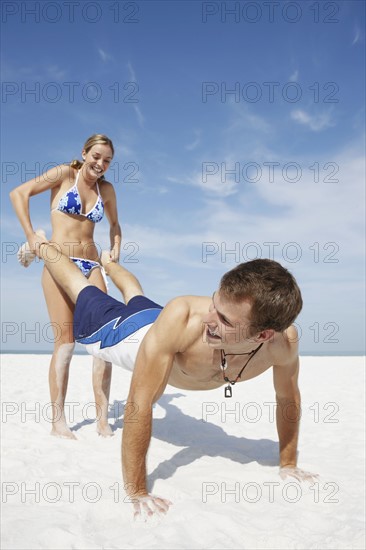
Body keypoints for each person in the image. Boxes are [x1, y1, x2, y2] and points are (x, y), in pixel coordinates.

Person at [33, 241, 318, 519]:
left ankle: (108, 263)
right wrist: (137, 491)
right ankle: (40, 245)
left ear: (264, 335)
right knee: (83, 290)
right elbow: (139, 404)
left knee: (135, 294)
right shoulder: (185, 316)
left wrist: (288, 462)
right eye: (213, 304)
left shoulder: (283, 345)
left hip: (156, 321)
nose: (209, 319)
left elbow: (287, 397)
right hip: (123, 334)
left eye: (225, 321)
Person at [9, 134, 122, 439]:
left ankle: (102, 420)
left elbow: (114, 225)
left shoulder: (106, 190)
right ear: (84, 153)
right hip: (60, 263)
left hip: (92, 265)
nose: (101, 164)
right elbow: (19, 193)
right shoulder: (63, 174)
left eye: (107, 160)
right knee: (66, 343)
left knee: (103, 345)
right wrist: (32, 234)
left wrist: (114, 248)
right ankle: (58, 422)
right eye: (96, 156)